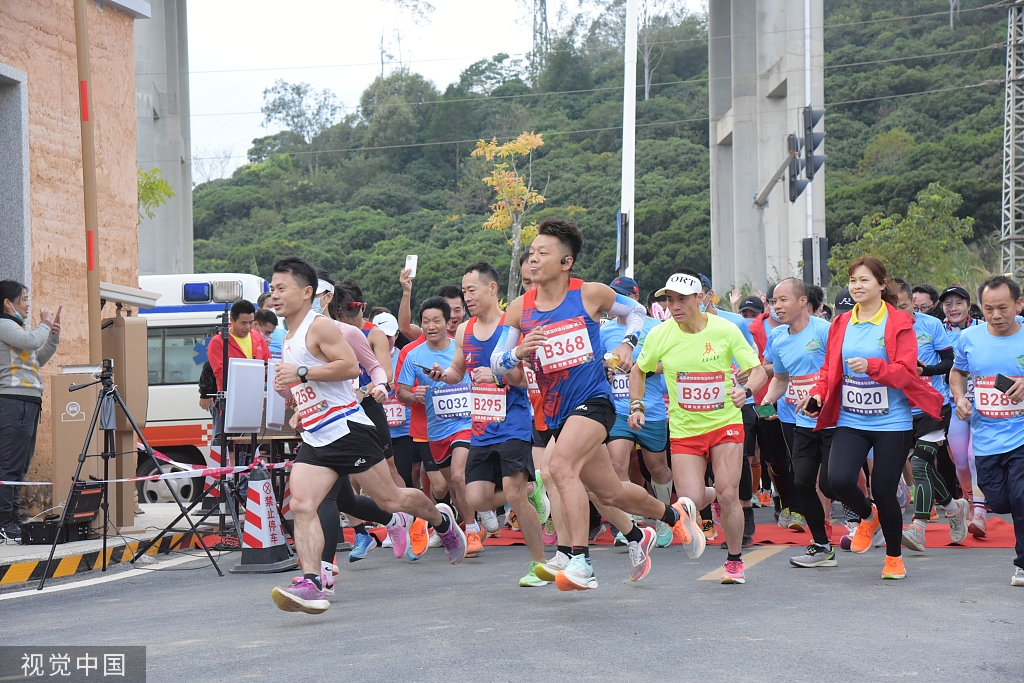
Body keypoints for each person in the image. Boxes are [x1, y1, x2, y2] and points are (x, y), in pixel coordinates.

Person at [268, 257, 465, 615]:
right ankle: (311, 582)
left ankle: (441, 520)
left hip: (348, 429)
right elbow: (309, 384)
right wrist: (295, 398)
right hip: (315, 435)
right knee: (301, 504)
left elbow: (347, 368)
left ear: (307, 292)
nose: (274, 295)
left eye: (282, 288)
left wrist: (299, 371)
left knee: (391, 500)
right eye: (272, 288)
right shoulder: (289, 337)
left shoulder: (321, 328)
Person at [490, 217, 678, 591]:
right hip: (556, 411)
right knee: (609, 492)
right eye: (531, 253)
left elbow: (636, 311)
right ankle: (670, 517)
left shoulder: (590, 293)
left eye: (543, 253)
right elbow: (496, 362)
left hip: (594, 402)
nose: (533, 260)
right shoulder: (518, 308)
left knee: (559, 467)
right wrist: (517, 353)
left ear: (566, 262)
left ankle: (578, 559)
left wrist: (628, 343)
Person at [799, 257, 944, 581]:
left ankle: (894, 557)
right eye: (853, 280)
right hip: (852, 417)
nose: (857, 286)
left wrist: (873, 367)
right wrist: (818, 395)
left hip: (891, 421)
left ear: (881, 284)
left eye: (864, 280)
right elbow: (829, 370)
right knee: (836, 480)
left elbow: (907, 373)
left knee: (883, 488)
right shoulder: (841, 323)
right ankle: (868, 517)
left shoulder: (898, 323)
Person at [630, 270, 768, 584]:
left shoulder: (726, 330)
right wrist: (635, 405)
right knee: (690, 499)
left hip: (724, 424)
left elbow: (756, 371)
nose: (674, 305)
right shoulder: (661, 334)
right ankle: (710, 499)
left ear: (700, 299)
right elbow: (639, 371)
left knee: (729, 494)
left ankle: (734, 562)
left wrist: (745, 392)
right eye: (669, 299)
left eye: (682, 299)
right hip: (684, 429)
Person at [427, 262, 552, 586]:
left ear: (492, 289)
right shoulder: (463, 331)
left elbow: (525, 380)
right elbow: (458, 371)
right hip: (480, 424)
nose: (466, 297)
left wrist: (497, 374)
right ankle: (532, 487)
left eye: (472, 290)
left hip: (512, 421)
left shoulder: (512, 329)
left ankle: (539, 564)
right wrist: (443, 376)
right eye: (464, 290)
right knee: (478, 498)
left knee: (511, 492)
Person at [950, 275, 1024, 587]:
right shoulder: (971, 338)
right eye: (989, 308)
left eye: (1003, 308)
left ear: (1019, 305)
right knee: (1000, 501)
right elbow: (957, 372)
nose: (996, 315)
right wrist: (959, 397)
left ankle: (1022, 563)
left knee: (1021, 498)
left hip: (1020, 435)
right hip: (986, 438)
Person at [760, 278, 836, 567]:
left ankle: (869, 515)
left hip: (833, 421)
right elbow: (781, 379)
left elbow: (839, 372)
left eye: (783, 300)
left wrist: (822, 395)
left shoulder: (826, 331)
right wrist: (767, 399)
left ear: (803, 301)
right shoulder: (778, 337)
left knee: (832, 484)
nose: (777, 306)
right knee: (802, 481)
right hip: (802, 421)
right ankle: (821, 546)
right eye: (773, 301)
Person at [892, 280, 970, 551]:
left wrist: (926, 371)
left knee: (918, 466)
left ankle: (919, 527)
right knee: (923, 467)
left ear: (911, 302)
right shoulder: (883, 329)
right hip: (899, 410)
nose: (899, 310)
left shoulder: (931, 325)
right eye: (893, 306)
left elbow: (950, 362)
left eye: (903, 305)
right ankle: (953, 506)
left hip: (932, 406)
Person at [397, 297, 478, 551]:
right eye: (426, 321)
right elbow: (401, 392)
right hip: (436, 430)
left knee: (458, 474)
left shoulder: (460, 349)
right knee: (448, 486)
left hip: (465, 424)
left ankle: (474, 530)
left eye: (436, 321)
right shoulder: (412, 355)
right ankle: (460, 524)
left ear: (448, 323)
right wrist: (414, 396)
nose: (431, 326)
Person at [600, 276, 675, 548]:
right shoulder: (605, 330)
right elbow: (599, 362)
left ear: (635, 297)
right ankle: (629, 522)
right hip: (617, 408)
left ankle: (665, 517)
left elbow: (669, 363)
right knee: (617, 463)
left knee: (658, 469)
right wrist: (607, 370)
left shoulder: (656, 328)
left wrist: (640, 368)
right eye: (613, 296)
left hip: (651, 407)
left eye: (622, 296)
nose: (616, 302)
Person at [0, 281, 61, 540]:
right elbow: (32, 341)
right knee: (9, 465)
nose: (28, 304)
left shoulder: (19, 329)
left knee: (20, 465)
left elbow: (39, 357)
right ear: (7, 303)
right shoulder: (4, 325)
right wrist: (44, 324)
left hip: (29, 401)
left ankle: (13, 517)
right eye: (24, 299)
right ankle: (4, 520)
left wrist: (54, 334)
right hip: (12, 401)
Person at [939, 284, 987, 537]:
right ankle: (969, 497)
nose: (953, 308)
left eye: (958, 302)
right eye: (948, 304)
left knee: (973, 457)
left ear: (969, 306)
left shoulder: (983, 328)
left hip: (984, 405)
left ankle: (979, 511)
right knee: (959, 459)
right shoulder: (939, 331)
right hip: (955, 405)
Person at [206, 299, 271, 391]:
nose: (248, 327)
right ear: (232, 320)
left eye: (251, 322)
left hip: (257, 395)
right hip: (231, 397)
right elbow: (222, 375)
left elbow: (269, 368)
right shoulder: (218, 342)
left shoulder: (258, 338)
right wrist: (257, 373)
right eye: (243, 323)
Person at [258, 291, 285, 360]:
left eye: (275, 306)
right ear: (260, 310)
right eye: (270, 306)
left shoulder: (285, 333)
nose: (273, 309)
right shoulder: (249, 334)